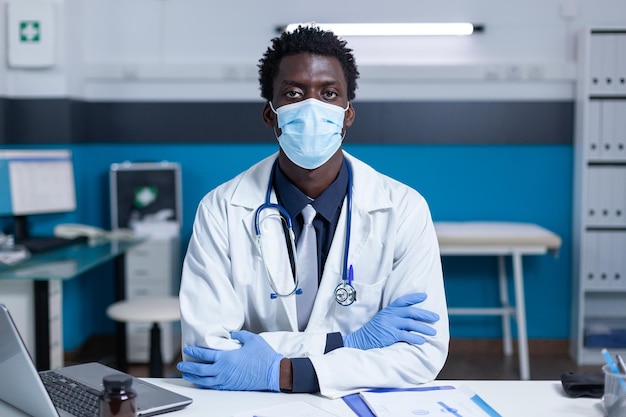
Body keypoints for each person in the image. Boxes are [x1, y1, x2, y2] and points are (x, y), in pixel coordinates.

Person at [177, 25, 449, 399]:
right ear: (270, 115)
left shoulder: (402, 209)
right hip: (254, 405)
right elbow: (206, 351)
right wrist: (351, 343)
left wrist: (281, 371)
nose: (311, 106)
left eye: (329, 93)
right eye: (292, 93)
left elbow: (422, 353)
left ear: (347, 114)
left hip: (357, 404)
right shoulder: (221, 209)